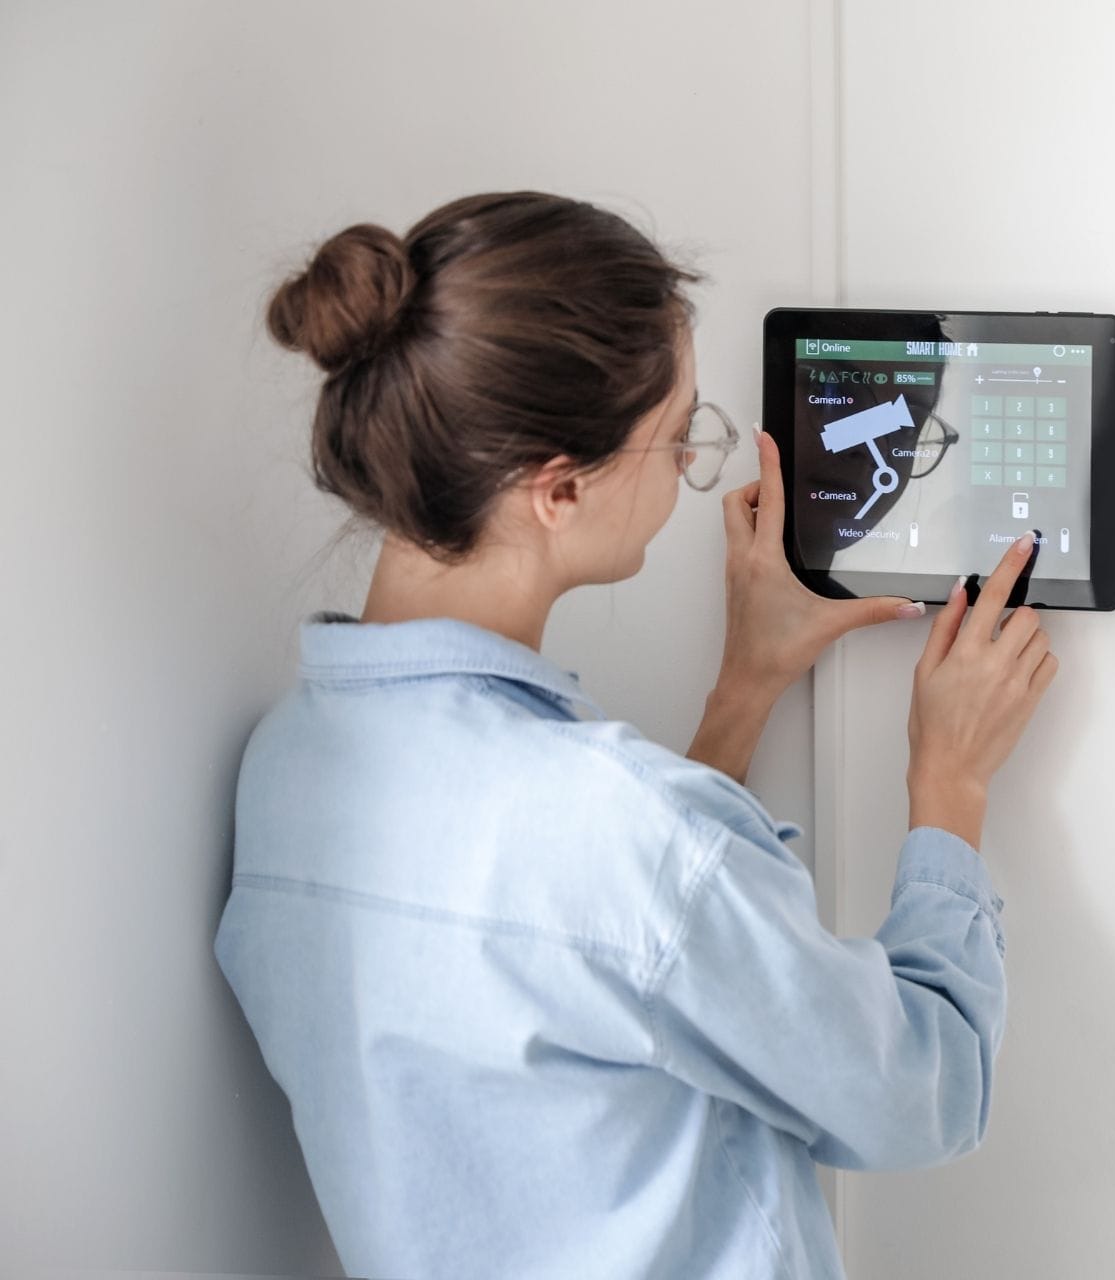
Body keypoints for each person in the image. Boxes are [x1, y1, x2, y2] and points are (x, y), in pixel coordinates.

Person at [213, 191, 1057, 1280]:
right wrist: (951, 786)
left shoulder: (288, 767)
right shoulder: (626, 831)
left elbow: (602, 966)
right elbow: (918, 1093)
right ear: (559, 488)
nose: (694, 466)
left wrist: (747, 684)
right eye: (681, 437)